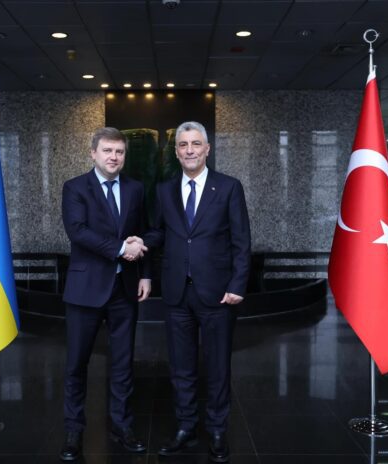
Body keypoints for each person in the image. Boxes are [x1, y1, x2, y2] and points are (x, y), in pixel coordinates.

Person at [142, 121, 251, 463]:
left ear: (207, 149)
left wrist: (237, 285)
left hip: (218, 293)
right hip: (176, 293)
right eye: (183, 145)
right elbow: (158, 233)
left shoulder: (229, 187)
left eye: (195, 144)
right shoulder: (164, 190)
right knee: (181, 367)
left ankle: (217, 430)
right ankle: (186, 426)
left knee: (217, 366)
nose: (189, 150)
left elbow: (241, 241)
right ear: (176, 152)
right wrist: (139, 242)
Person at [59, 127, 150, 461]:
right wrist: (121, 249)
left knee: (123, 363)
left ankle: (121, 426)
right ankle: (73, 431)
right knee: (76, 364)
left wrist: (146, 274)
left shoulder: (136, 188)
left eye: (119, 152)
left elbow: (142, 231)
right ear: (93, 153)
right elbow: (78, 232)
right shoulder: (74, 187)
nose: (114, 157)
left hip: (124, 290)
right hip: (85, 291)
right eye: (108, 151)